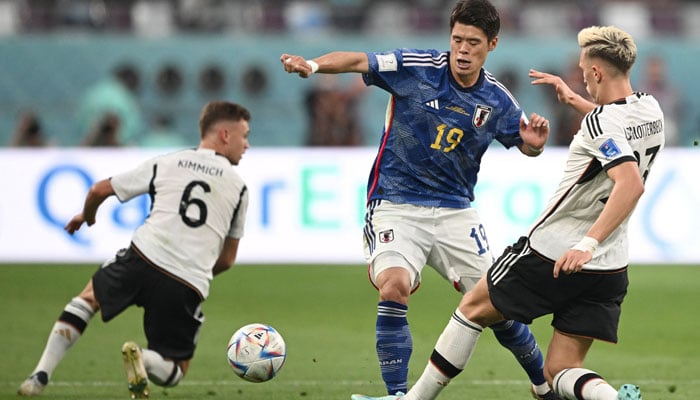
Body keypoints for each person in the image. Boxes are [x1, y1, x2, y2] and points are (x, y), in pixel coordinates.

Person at [351, 25, 664, 400]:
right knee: (559, 370)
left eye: (583, 73)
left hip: (556, 250)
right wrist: (575, 100)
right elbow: (615, 124)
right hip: (611, 266)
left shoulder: (600, 123)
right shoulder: (650, 110)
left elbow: (630, 183)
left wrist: (587, 243)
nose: (582, 79)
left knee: (472, 309)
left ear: (596, 72)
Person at [281, 0, 555, 398]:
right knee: (394, 285)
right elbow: (358, 60)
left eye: (473, 42)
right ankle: (397, 394)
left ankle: (544, 387)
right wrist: (313, 65)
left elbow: (526, 143)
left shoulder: (497, 100)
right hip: (397, 201)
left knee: (497, 304)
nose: (463, 50)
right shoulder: (417, 67)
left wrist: (534, 145)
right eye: (457, 39)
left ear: (492, 44)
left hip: (456, 210)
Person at [18, 100, 252, 398]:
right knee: (176, 369)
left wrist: (87, 216)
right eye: (244, 136)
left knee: (87, 299)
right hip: (187, 280)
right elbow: (227, 260)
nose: (247, 145)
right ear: (225, 135)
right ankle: (144, 358)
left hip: (143, 257)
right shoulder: (240, 189)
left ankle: (39, 376)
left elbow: (98, 189)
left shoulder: (168, 162)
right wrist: (194, 271)